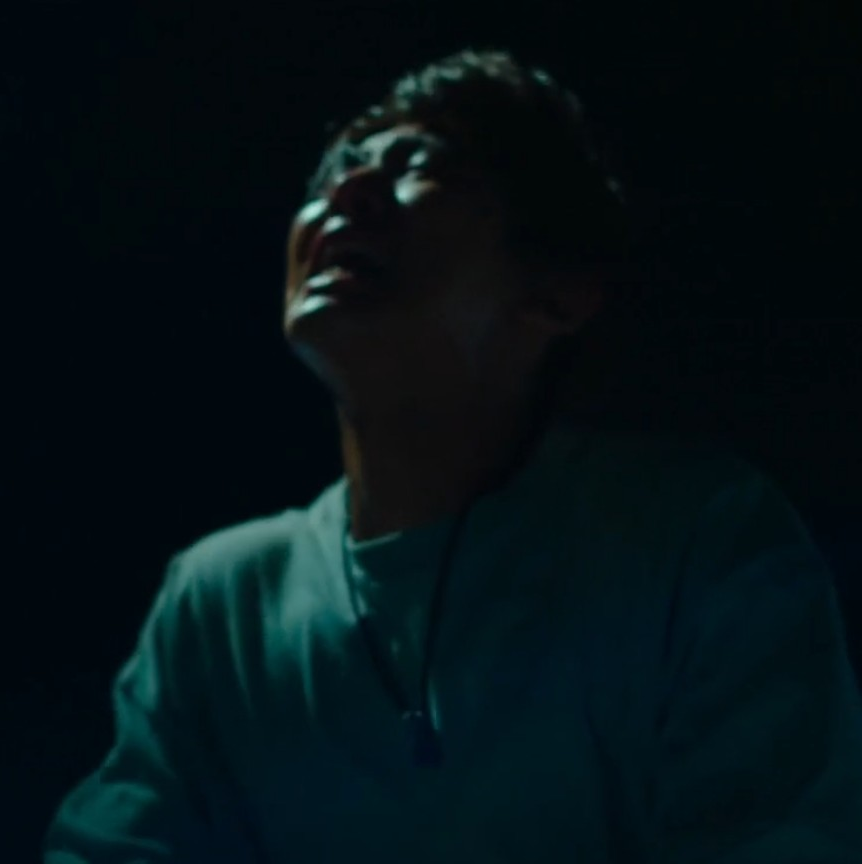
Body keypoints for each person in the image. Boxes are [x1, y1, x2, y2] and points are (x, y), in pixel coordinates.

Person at [42, 49, 862, 863]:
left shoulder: (694, 536)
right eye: (336, 171)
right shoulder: (219, 602)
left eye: (419, 166)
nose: (348, 193)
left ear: (559, 292)